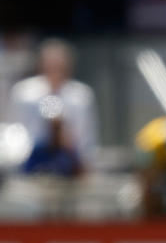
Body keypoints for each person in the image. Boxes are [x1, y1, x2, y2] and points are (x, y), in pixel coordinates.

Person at [8, 39, 99, 173]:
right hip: (30, 164)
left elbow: (86, 140)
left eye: (59, 66)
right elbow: (15, 133)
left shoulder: (81, 96)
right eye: (50, 65)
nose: (55, 70)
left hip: (70, 164)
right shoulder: (23, 93)